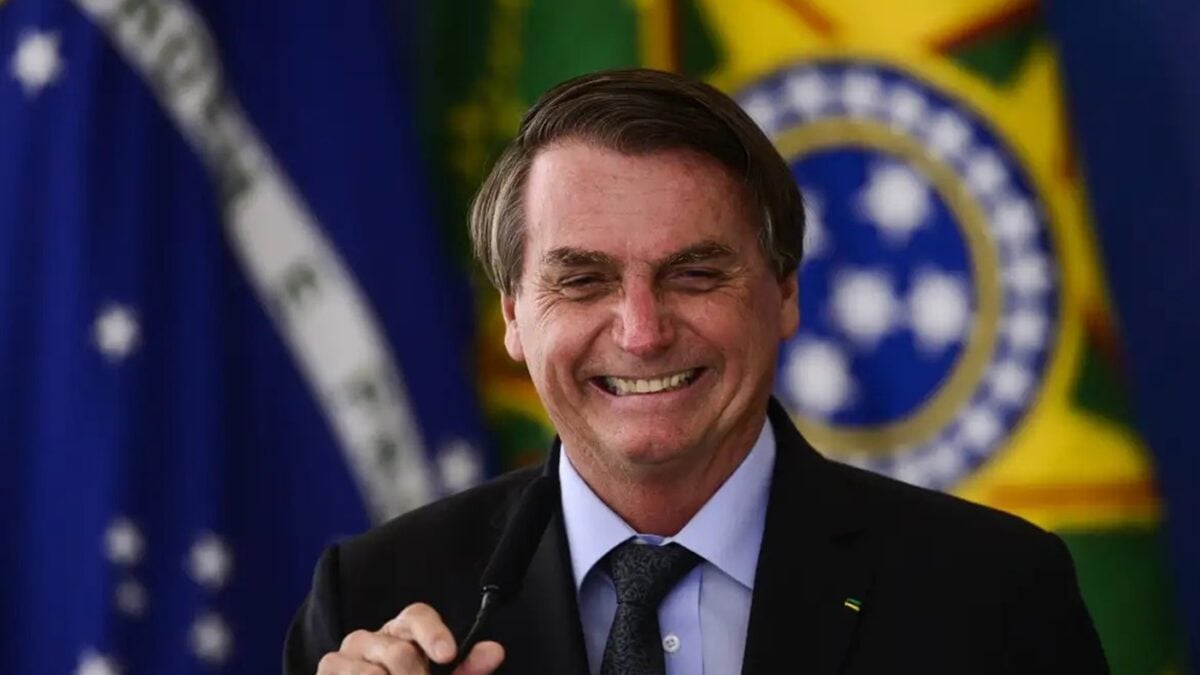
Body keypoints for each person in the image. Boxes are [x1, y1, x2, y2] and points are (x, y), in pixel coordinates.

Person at [282, 68, 1109, 675]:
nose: (642, 332)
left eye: (696, 273)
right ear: (513, 317)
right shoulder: (372, 600)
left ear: (785, 293)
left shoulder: (994, 594)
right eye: (583, 280)